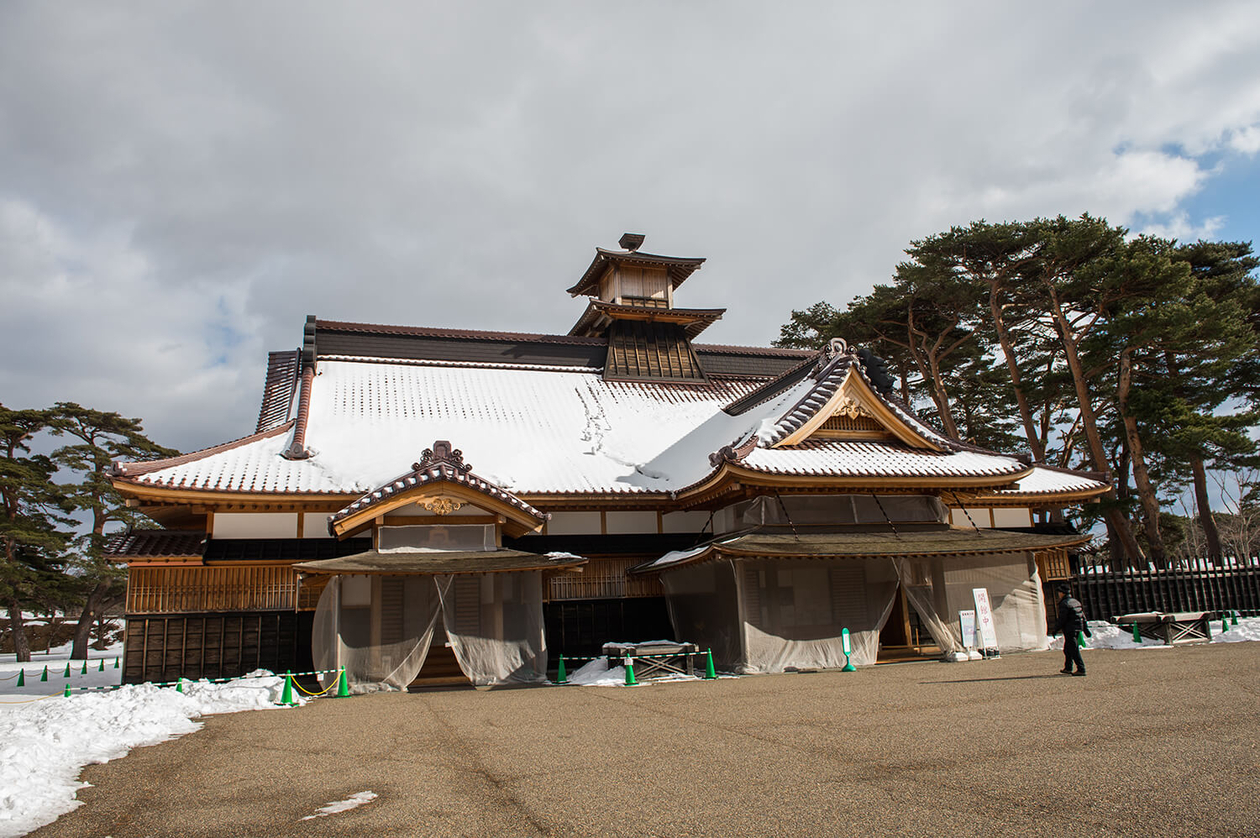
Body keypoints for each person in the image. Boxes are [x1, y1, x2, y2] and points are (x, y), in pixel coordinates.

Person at [1054, 583, 1090, 676]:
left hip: (1069, 629)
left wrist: (1055, 629)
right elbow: (1082, 616)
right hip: (1077, 628)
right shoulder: (1076, 602)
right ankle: (1068, 667)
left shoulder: (1064, 603)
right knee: (1068, 649)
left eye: (1059, 592)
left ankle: (1081, 669)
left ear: (1062, 593)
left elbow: (1062, 619)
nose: (1058, 594)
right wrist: (1085, 628)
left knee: (1073, 649)